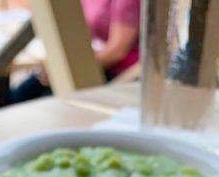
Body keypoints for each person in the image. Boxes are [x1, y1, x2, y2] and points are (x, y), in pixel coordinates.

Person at [9, 0, 140, 104]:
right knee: (20, 93)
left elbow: (117, 52)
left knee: (46, 101)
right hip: (92, 59)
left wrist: (62, 69)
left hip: (121, 72)